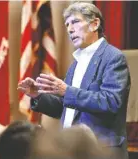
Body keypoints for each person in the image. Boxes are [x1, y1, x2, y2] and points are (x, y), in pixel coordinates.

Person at [17, 2, 131, 159]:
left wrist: (66, 91)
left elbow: (111, 102)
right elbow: (67, 107)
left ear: (95, 24)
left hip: (101, 151)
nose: (70, 29)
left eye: (75, 22)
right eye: (67, 24)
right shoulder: (76, 63)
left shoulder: (113, 58)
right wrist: (37, 95)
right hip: (72, 151)